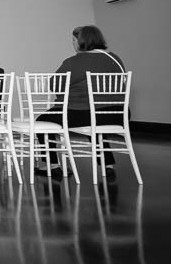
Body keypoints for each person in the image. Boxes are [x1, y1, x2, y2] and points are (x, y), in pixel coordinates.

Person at [38, 25, 126, 175]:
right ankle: (108, 165)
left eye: (73, 40)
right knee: (95, 122)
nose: (72, 43)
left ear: (82, 41)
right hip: (118, 113)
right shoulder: (115, 58)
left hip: (88, 114)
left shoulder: (77, 61)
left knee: (42, 122)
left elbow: (55, 84)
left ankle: (52, 166)